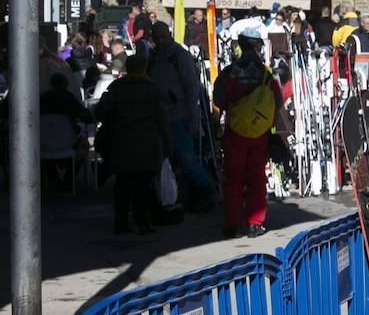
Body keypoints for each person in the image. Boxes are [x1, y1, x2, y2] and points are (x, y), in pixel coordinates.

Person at [213, 27, 284, 238]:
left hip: (235, 130)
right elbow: (277, 101)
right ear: (257, 46)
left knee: (233, 177)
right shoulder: (266, 74)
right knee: (256, 177)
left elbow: (219, 100)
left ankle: (232, 224)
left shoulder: (228, 72)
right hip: (259, 133)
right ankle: (255, 223)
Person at [95, 53, 171, 235]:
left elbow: (99, 113)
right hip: (148, 145)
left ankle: (120, 224)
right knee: (143, 187)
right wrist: (168, 146)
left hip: (121, 145)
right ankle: (143, 223)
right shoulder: (153, 90)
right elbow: (163, 122)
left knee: (122, 186)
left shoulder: (117, 88)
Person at [149, 22, 214, 211]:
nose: (160, 41)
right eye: (157, 37)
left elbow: (191, 88)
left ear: (169, 35)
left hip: (179, 115)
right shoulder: (153, 57)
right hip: (159, 116)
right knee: (163, 158)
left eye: (163, 37)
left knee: (186, 157)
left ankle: (203, 190)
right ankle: (170, 194)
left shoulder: (180, 56)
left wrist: (194, 118)